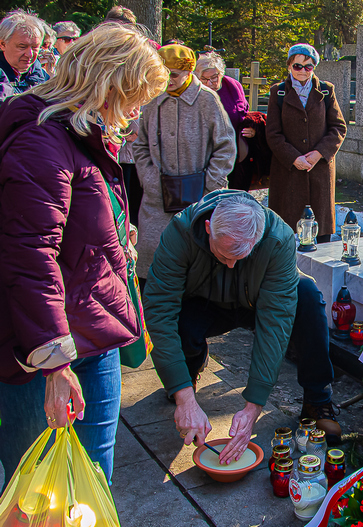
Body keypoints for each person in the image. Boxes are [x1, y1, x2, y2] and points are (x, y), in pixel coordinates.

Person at [0, 23, 169, 489]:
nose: (137, 111)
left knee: (92, 480)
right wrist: (54, 364)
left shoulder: (80, 133)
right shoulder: (41, 141)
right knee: (43, 491)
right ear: (107, 84)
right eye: (136, 96)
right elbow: (30, 256)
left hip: (93, 329)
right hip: (48, 350)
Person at [143, 190, 341, 465]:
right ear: (208, 227)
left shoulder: (277, 238)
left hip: (256, 301)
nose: (232, 264)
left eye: (241, 257)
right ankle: (186, 373)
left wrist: (253, 406)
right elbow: (159, 310)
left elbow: (275, 322)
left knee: (307, 295)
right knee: (179, 327)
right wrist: (183, 397)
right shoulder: (180, 232)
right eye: (224, 255)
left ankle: (317, 399)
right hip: (203, 302)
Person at [133, 44, 236, 281]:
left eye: (174, 75)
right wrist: (150, 180)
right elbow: (140, 145)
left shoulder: (208, 100)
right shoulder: (152, 98)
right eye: (163, 73)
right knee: (153, 262)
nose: (168, 80)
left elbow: (226, 146)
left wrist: (211, 185)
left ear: (189, 72)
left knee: (198, 258)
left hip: (200, 197)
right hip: (157, 198)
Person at [265, 43, 347, 243]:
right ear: (289, 66)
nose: (302, 71)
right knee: (286, 233)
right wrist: (294, 158)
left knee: (321, 235)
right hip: (288, 173)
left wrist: (319, 153)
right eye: (297, 66)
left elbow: (338, 128)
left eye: (308, 66)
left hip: (318, 172)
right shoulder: (279, 92)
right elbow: (273, 133)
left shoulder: (327, 91)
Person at [194, 51, 254, 190]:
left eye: (214, 78)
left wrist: (251, 129)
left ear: (221, 73)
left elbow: (242, 114)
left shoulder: (233, 86)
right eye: (204, 79)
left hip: (234, 155)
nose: (210, 83)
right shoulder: (194, 91)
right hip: (204, 158)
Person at [0, 10, 49, 99]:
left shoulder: (40, 75)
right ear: (3, 44)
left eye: (35, 47)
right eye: (22, 47)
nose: (30, 54)